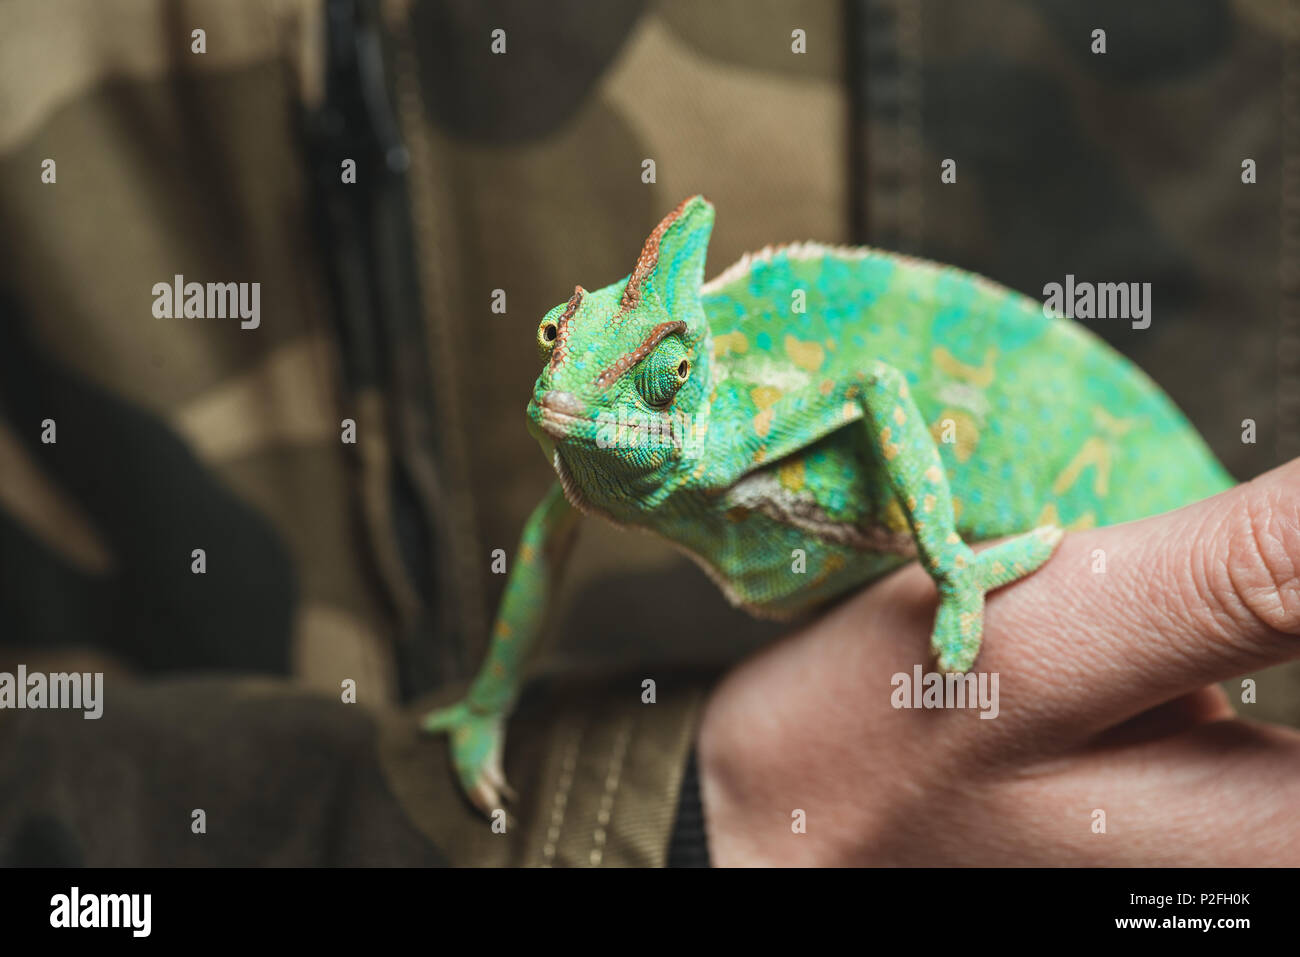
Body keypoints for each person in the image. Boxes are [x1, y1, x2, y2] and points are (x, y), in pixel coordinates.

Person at [0, 0, 1295, 866]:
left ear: (694, 372)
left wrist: (955, 569)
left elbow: (881, 396)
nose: (576, 400)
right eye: (563, 347)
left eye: (655, 377)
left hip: (1099, 476)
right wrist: (526, 725)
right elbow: (554, 519)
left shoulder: (739, 410)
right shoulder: (611, 446)